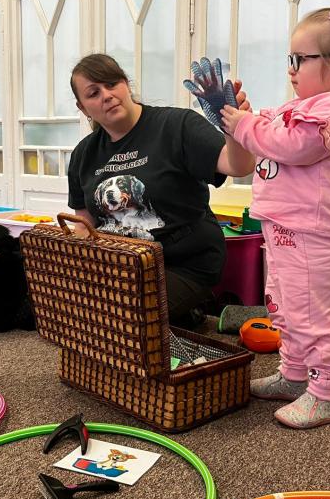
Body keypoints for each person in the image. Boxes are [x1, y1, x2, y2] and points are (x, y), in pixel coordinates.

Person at [220, 7, 330, 429]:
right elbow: (269, 130)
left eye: (300, 59)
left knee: (312, 318)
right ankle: (295, 374)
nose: (292, 69)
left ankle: (324, 395)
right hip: (285, 230)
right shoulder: (301, 106)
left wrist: (245, 126)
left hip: (311, 235)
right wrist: (242, 115)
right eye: (291, 59)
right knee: (285, 308)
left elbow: (293, 146)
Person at [67, 53, 256, 328]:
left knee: (119, 316)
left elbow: (239, 166)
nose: (107, 96)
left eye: (112, 84)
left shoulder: (177, 126)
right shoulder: (84, 154)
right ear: (83, 107)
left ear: (126, 84)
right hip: (121, 266)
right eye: (93, 93)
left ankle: (187, 310)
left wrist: (233, 127)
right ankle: (177, 317)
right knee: (71, 308)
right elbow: (84, 226)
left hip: (182, 264)